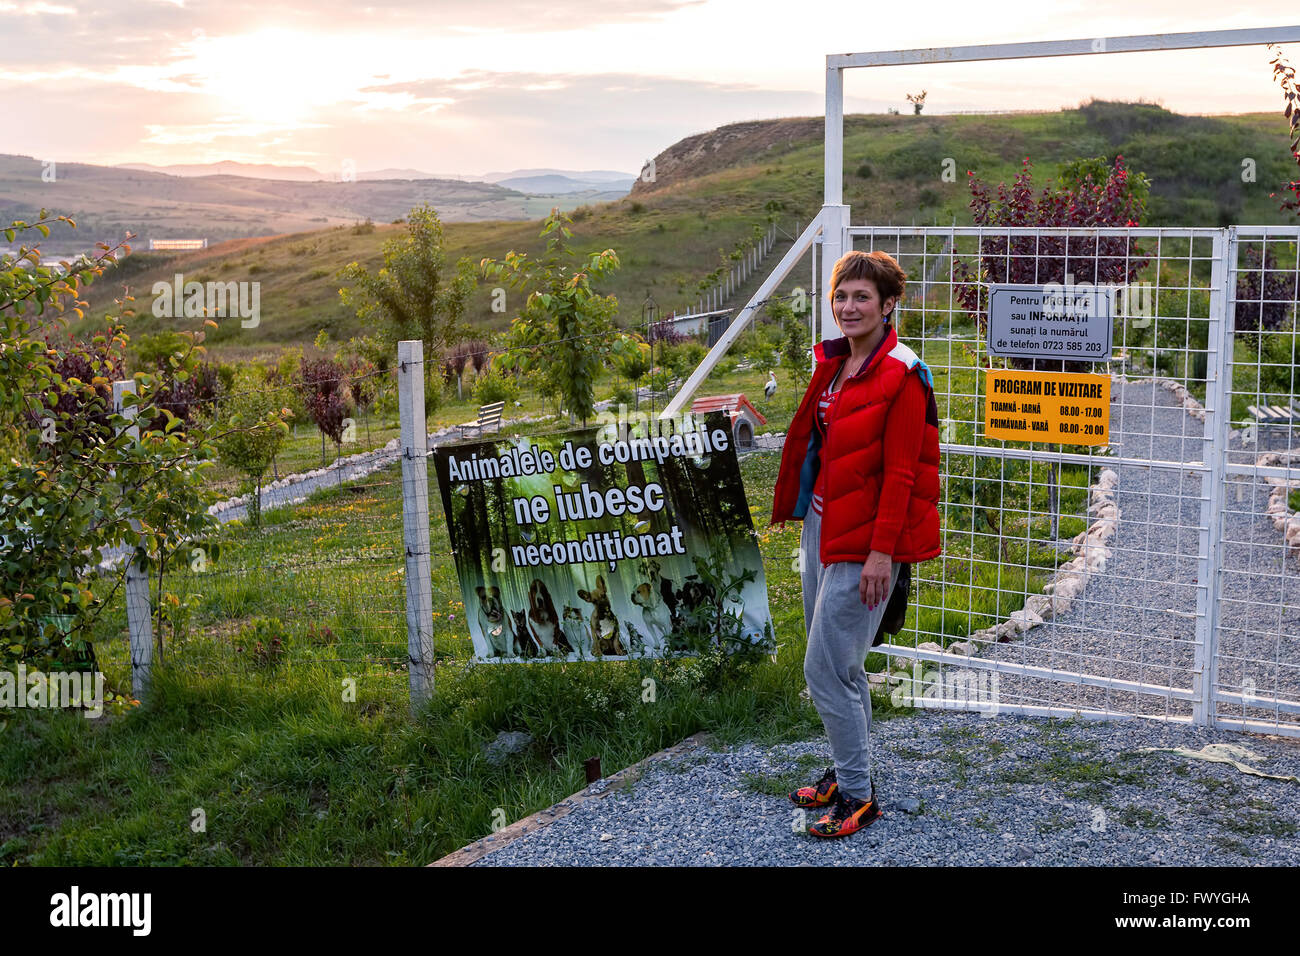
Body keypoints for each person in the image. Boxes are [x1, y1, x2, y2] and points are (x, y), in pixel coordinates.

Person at [770, 249, 941, 838]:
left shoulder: (903, 372)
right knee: (844, 667)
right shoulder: (839, 361)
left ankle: (859, 798)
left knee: (824, 669)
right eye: (841, 296)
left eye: (861, 297)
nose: (848, 306)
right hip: (824, 526)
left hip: (866, 541)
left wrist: (881, 554)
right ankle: (849, 772)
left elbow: (902, 473)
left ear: (888, 304)